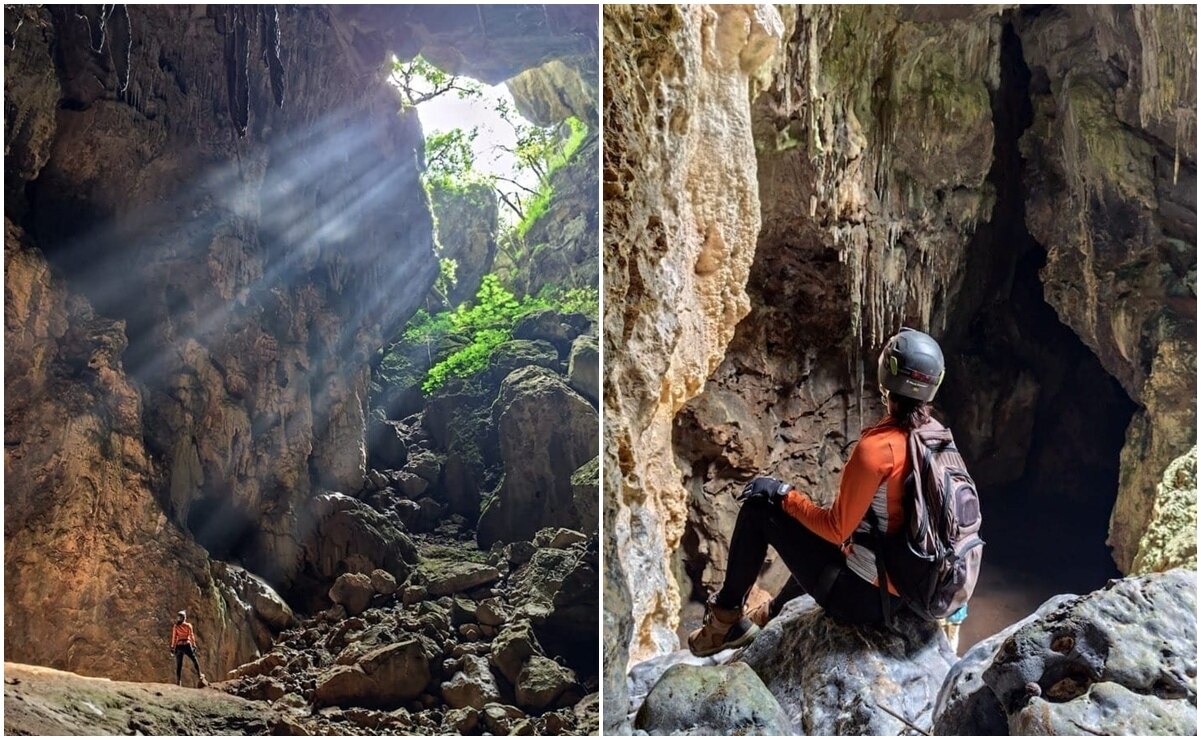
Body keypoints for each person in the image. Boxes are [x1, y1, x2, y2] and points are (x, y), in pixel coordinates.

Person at [688, 328, 946, 657]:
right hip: (918, 591)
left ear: (886, 376)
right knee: (824, 540)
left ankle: (724, 623)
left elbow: (836, 528)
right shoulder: (937, 437)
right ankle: (773, 612)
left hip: (866, 600)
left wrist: (783, 493)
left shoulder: (877, 450)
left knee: (758, 508)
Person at [170, 610, 207, 687]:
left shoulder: (176, 626)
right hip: (187, 644)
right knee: (194, 659)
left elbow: (174, 637)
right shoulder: (188, 626)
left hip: (179, 646)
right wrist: (194, 645)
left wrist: (172, 647)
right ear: (185, 618)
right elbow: (191, 636)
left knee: (179, 664)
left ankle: (178, 681)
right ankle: (199, 674)